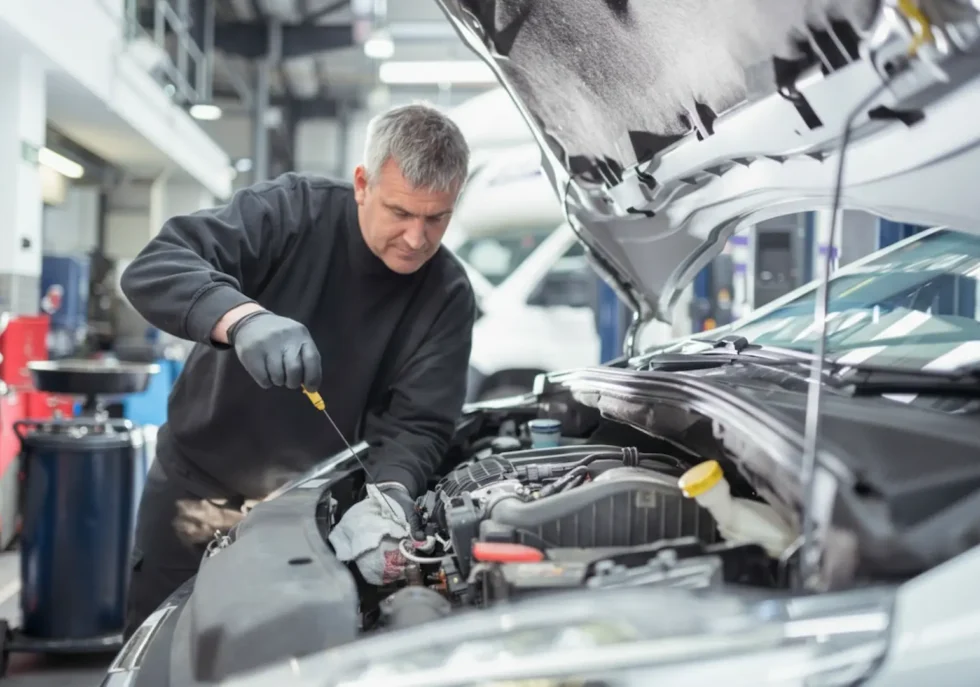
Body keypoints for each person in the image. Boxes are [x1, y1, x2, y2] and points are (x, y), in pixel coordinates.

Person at [119, 103, 475, 638]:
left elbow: (418, 423)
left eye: (436, 218)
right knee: (164, 648)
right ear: (362, 183)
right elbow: (155, 265)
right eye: (401, 212)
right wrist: (240, 318)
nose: (417, 238)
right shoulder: (290, 212)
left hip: (313, 515)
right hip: (199, 490)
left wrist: (391, 497)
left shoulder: (446, 294)